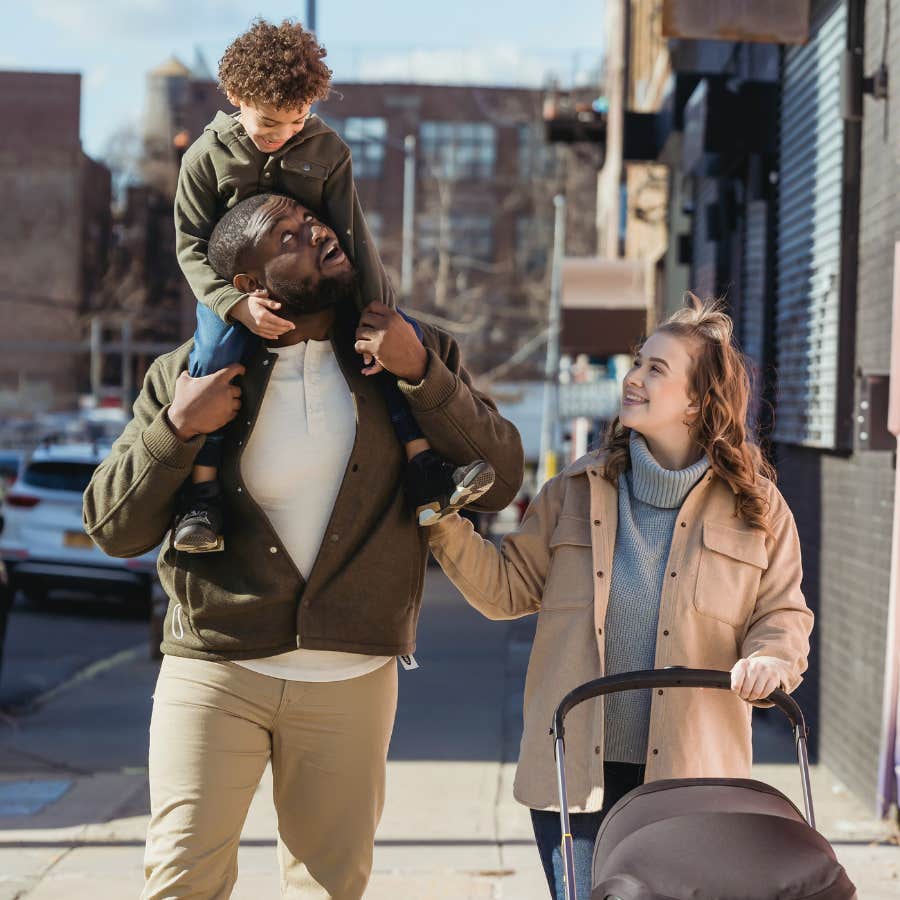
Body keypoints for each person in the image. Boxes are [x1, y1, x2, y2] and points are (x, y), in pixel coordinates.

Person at [82, 193, 524, 900]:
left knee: (329, 889)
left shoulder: (413, 347)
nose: (315, 231)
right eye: (287, 235)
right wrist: (178, 426)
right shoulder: (187, 371)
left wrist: (424, 374)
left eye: (312, 220)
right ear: (250, 285)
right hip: (215, 667)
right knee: (180, 882)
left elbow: (500, 481)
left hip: (352, 676)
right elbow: (113, 527)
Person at [425, 295, 814, 900]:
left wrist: (771, 659)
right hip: (578, 773)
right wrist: (441, 523)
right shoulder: (572, 491)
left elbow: (783, 612)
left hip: (692, 779)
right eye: (638, 362)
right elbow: (506, 591)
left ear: (697, 400)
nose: (632, 377)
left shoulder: (758, 508)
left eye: (656, 369)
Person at [173, 18, 494, 552]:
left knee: (389, 344)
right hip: (234, 294)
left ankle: (425, 469)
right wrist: (235, 305)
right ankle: (201, 498)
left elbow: (353, 235)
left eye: (298, 120)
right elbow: (189, 247)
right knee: (213, 356)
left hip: (320, 289)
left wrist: (380, 312)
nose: (285, 134)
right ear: (234, 96)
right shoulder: (204, 159)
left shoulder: (327, 150)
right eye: (270, 124)